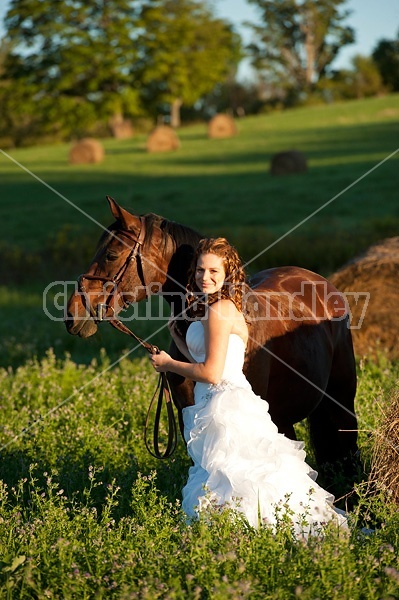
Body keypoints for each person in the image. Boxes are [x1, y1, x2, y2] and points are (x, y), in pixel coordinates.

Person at [149, 237, 348, 537]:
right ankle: (243, 535)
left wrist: (169, 365)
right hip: (223, 400)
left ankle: (252, 534)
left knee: (235, 477)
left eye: (214, 272)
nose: (206, 278)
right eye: (200, 270)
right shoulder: (219, 307)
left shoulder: (218, 311)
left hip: (223, 404)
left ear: (228, 274)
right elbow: (214, 357)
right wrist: (179, 342)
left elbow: (212, 373)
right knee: (234, 477)